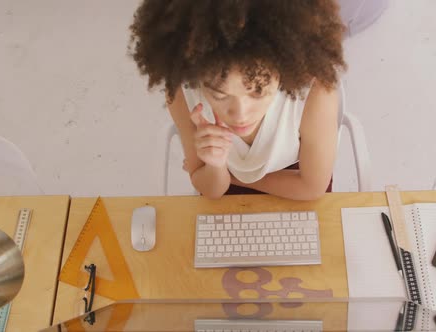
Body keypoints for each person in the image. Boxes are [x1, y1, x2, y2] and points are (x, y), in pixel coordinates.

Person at [129, 0, 347, 200]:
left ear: (284, 69)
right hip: (224, 179)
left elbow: (312, 188)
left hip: (295, 175)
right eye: (219, 95)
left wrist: (236, 179)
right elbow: (211, 190)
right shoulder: (181, 94)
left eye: (258, 92)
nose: (240, 115)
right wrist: (215, 164)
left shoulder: (316, 94)